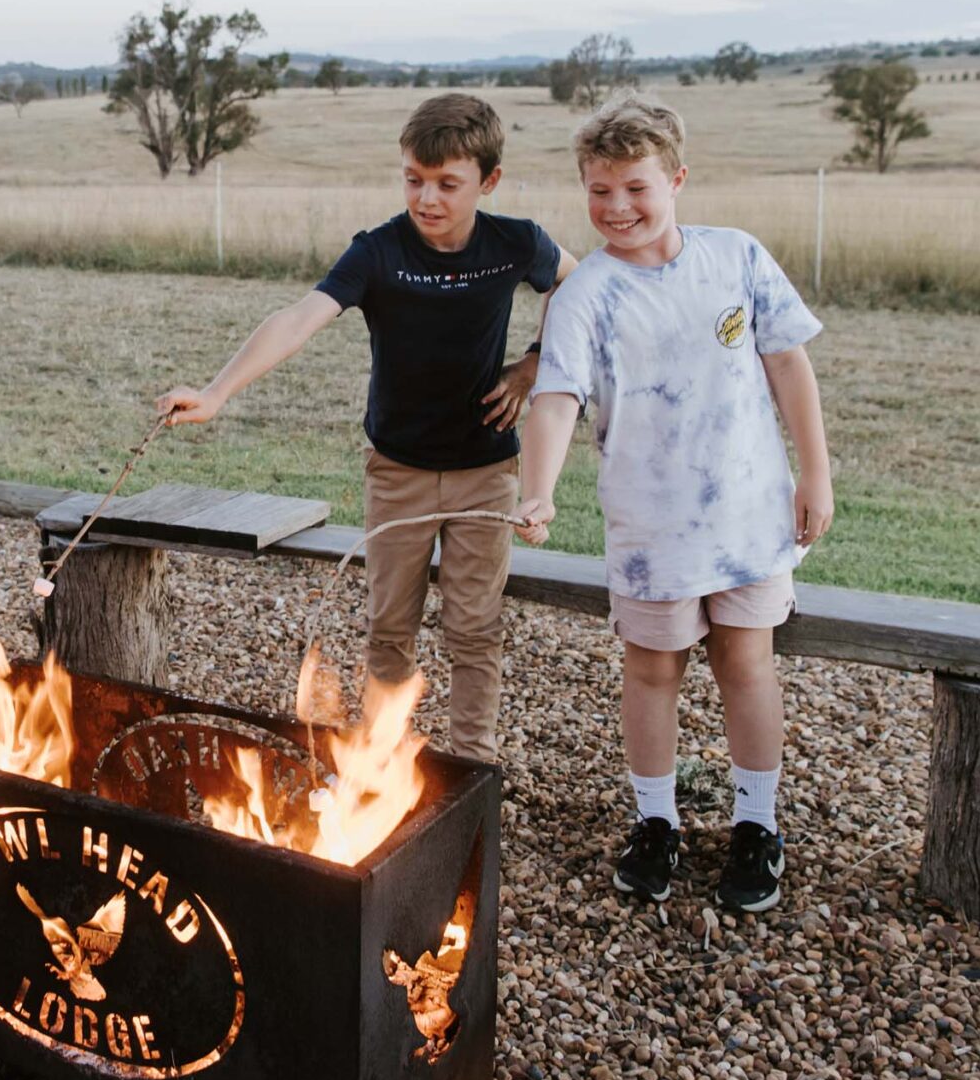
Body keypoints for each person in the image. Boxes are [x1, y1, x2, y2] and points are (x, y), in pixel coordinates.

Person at [156, 93, 573, 763]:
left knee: (474, 628)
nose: (426, 198)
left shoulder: (516, 243)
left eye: (447, 184)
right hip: (398, 473)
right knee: (389, 629)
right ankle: (383, 762)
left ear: (488, 182)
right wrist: (216, 392)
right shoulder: (379, 252)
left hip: (485, 473)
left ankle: (473, 767)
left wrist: (532, 363)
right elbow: (298, 317)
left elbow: (580, 290)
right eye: (414, 178)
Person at [514, 97, 833, 913]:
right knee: (652, 670)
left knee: (746, 664)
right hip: (651, 530)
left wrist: (815, 475)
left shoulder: (737, 259)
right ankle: (656, 822)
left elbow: (789, 367)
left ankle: (756, 826)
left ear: (677, 179)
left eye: (634, 188)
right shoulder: (585, 293)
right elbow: (556, 398)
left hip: (750, 519)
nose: (617, 208)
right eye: (598, 191)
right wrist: (538, 491)